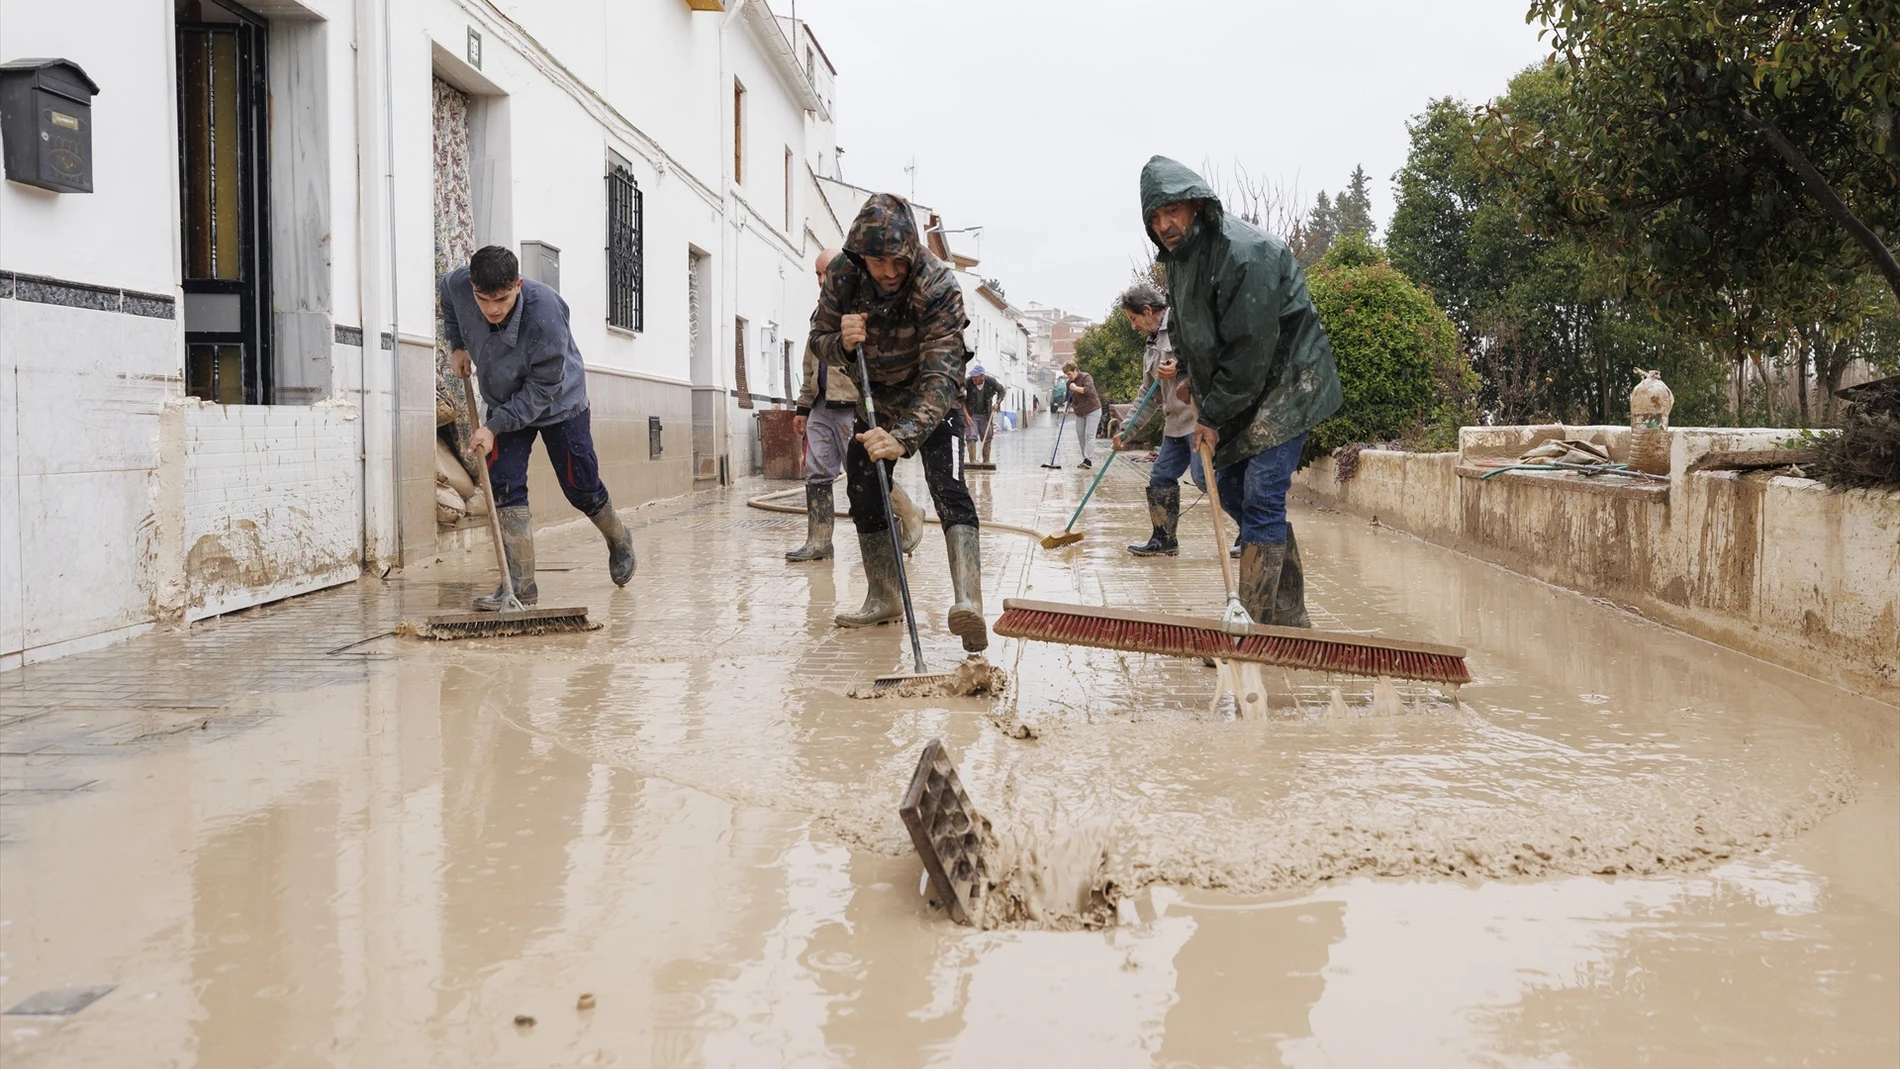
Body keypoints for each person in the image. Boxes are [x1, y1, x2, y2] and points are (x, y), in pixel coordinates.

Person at [1139, 156, 1343, 627]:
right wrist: (1189, 373)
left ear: (1195, 204)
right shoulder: (1180, 261)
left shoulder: (1244, 253)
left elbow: (1249, 350)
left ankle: (1252, 621)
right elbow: (1191, 330)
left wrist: (1210, 415)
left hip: (1289, 382)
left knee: (1262, 494)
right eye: (1155, 216)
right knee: (1222, 482)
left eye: (1172, 210)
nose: (1165, 224)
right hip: (1242, 386)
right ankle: (1289, 614)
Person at [809, 193, 988, 652]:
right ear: (860, 255)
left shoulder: (938, 284)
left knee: (946, 483)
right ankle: (884, 595)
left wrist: (904, 436)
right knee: (863, 481)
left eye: (897, 261)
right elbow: (817, 339)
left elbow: (943, 371)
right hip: (876, 397)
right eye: (877, 261)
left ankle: (969, 601)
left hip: (934, 396)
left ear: (910, 252)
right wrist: (843, 346)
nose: (888, 272)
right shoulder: (844, 277)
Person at [441, 245, 636, 610]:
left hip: (558, 402)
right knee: (504, 485)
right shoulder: (458, 285)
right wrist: (457, 346)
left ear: (518, 284)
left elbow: (543, 388)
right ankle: (520, 588)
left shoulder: (546, 312)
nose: (492, 309)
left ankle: (619, 537)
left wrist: (493, 427)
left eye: (501, 298)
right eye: (483, 299)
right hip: (503, 395)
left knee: (580, 485)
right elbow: (448, 298)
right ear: (473, 287)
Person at [787, 247, 923, 562]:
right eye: (817, 274)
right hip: (822, 403)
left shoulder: (863, 304)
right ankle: (819, 540)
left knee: (864, 474)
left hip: (853, 403)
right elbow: (811, 360)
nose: (822, 280)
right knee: (816, 472)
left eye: (826, 273)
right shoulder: (822, 311)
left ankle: (910, 514)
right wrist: (803, 408)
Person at [1112, 281, 1205, 557]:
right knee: (1161, 477)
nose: (1133, 326)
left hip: (1199, 419)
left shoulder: (1182, 325)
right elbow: (1148, 394)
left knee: (1205, 479)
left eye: (1133, 319)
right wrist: (1127, 430)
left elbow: (1208, 359)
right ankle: (1164, 540)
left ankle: (1251, 533)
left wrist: (1181, 366)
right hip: (1175, 425)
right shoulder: (1152, 344)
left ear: (1148, 310)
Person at [961, 364, 1006, 465]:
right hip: (971, 414)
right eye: (972, 376)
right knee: (971, 436)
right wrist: (966, 415)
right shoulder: (967, 382)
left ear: (982, 376)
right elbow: (959, 398)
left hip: (986, 414)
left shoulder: (991, 382)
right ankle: (973, 462)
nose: (974, 379)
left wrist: (997, 403)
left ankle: (986, 462)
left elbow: (1002, 391)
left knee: (987, 437)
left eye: (976, 377)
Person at [1062, 361, 1102, 467]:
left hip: (1093, 409)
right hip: (1080, 412)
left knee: (1089, 435)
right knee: (1080, 435)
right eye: (1067, 375)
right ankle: (1085, 458)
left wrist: (1076, 388)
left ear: (1075, 370)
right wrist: (1065, 407)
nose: (1068, 377)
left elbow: (1090, 391)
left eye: (1069, 374)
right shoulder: (1069, 383)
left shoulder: (1086, 377)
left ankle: (1088, 459)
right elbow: (1068, 398)